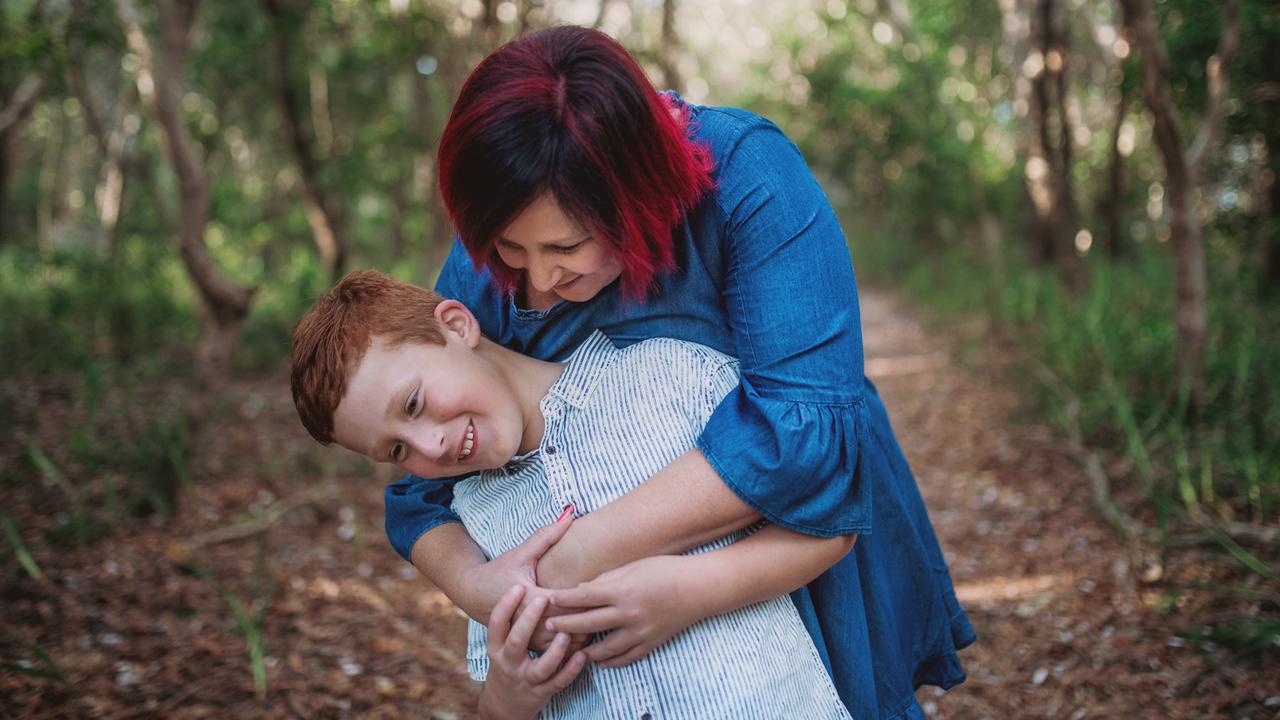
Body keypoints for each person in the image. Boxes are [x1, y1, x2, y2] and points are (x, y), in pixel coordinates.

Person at [386, 25, 975, 719]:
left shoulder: (749, 177)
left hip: (791, 543)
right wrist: (482, 588)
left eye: (566, 247)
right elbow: (419, 488)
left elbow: (800, 437)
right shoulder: (496, 249)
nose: (536, 282)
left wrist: (583, 557)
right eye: (511, 251)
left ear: (634, 191)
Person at [290, 269, 855, 719]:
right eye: (395, 452)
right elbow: (496, 686)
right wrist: (508, 700)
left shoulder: (667, 376)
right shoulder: (478, 529)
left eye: (412, 404)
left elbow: (832, 527)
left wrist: (691, 590)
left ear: (457, 326)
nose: (429, 446)